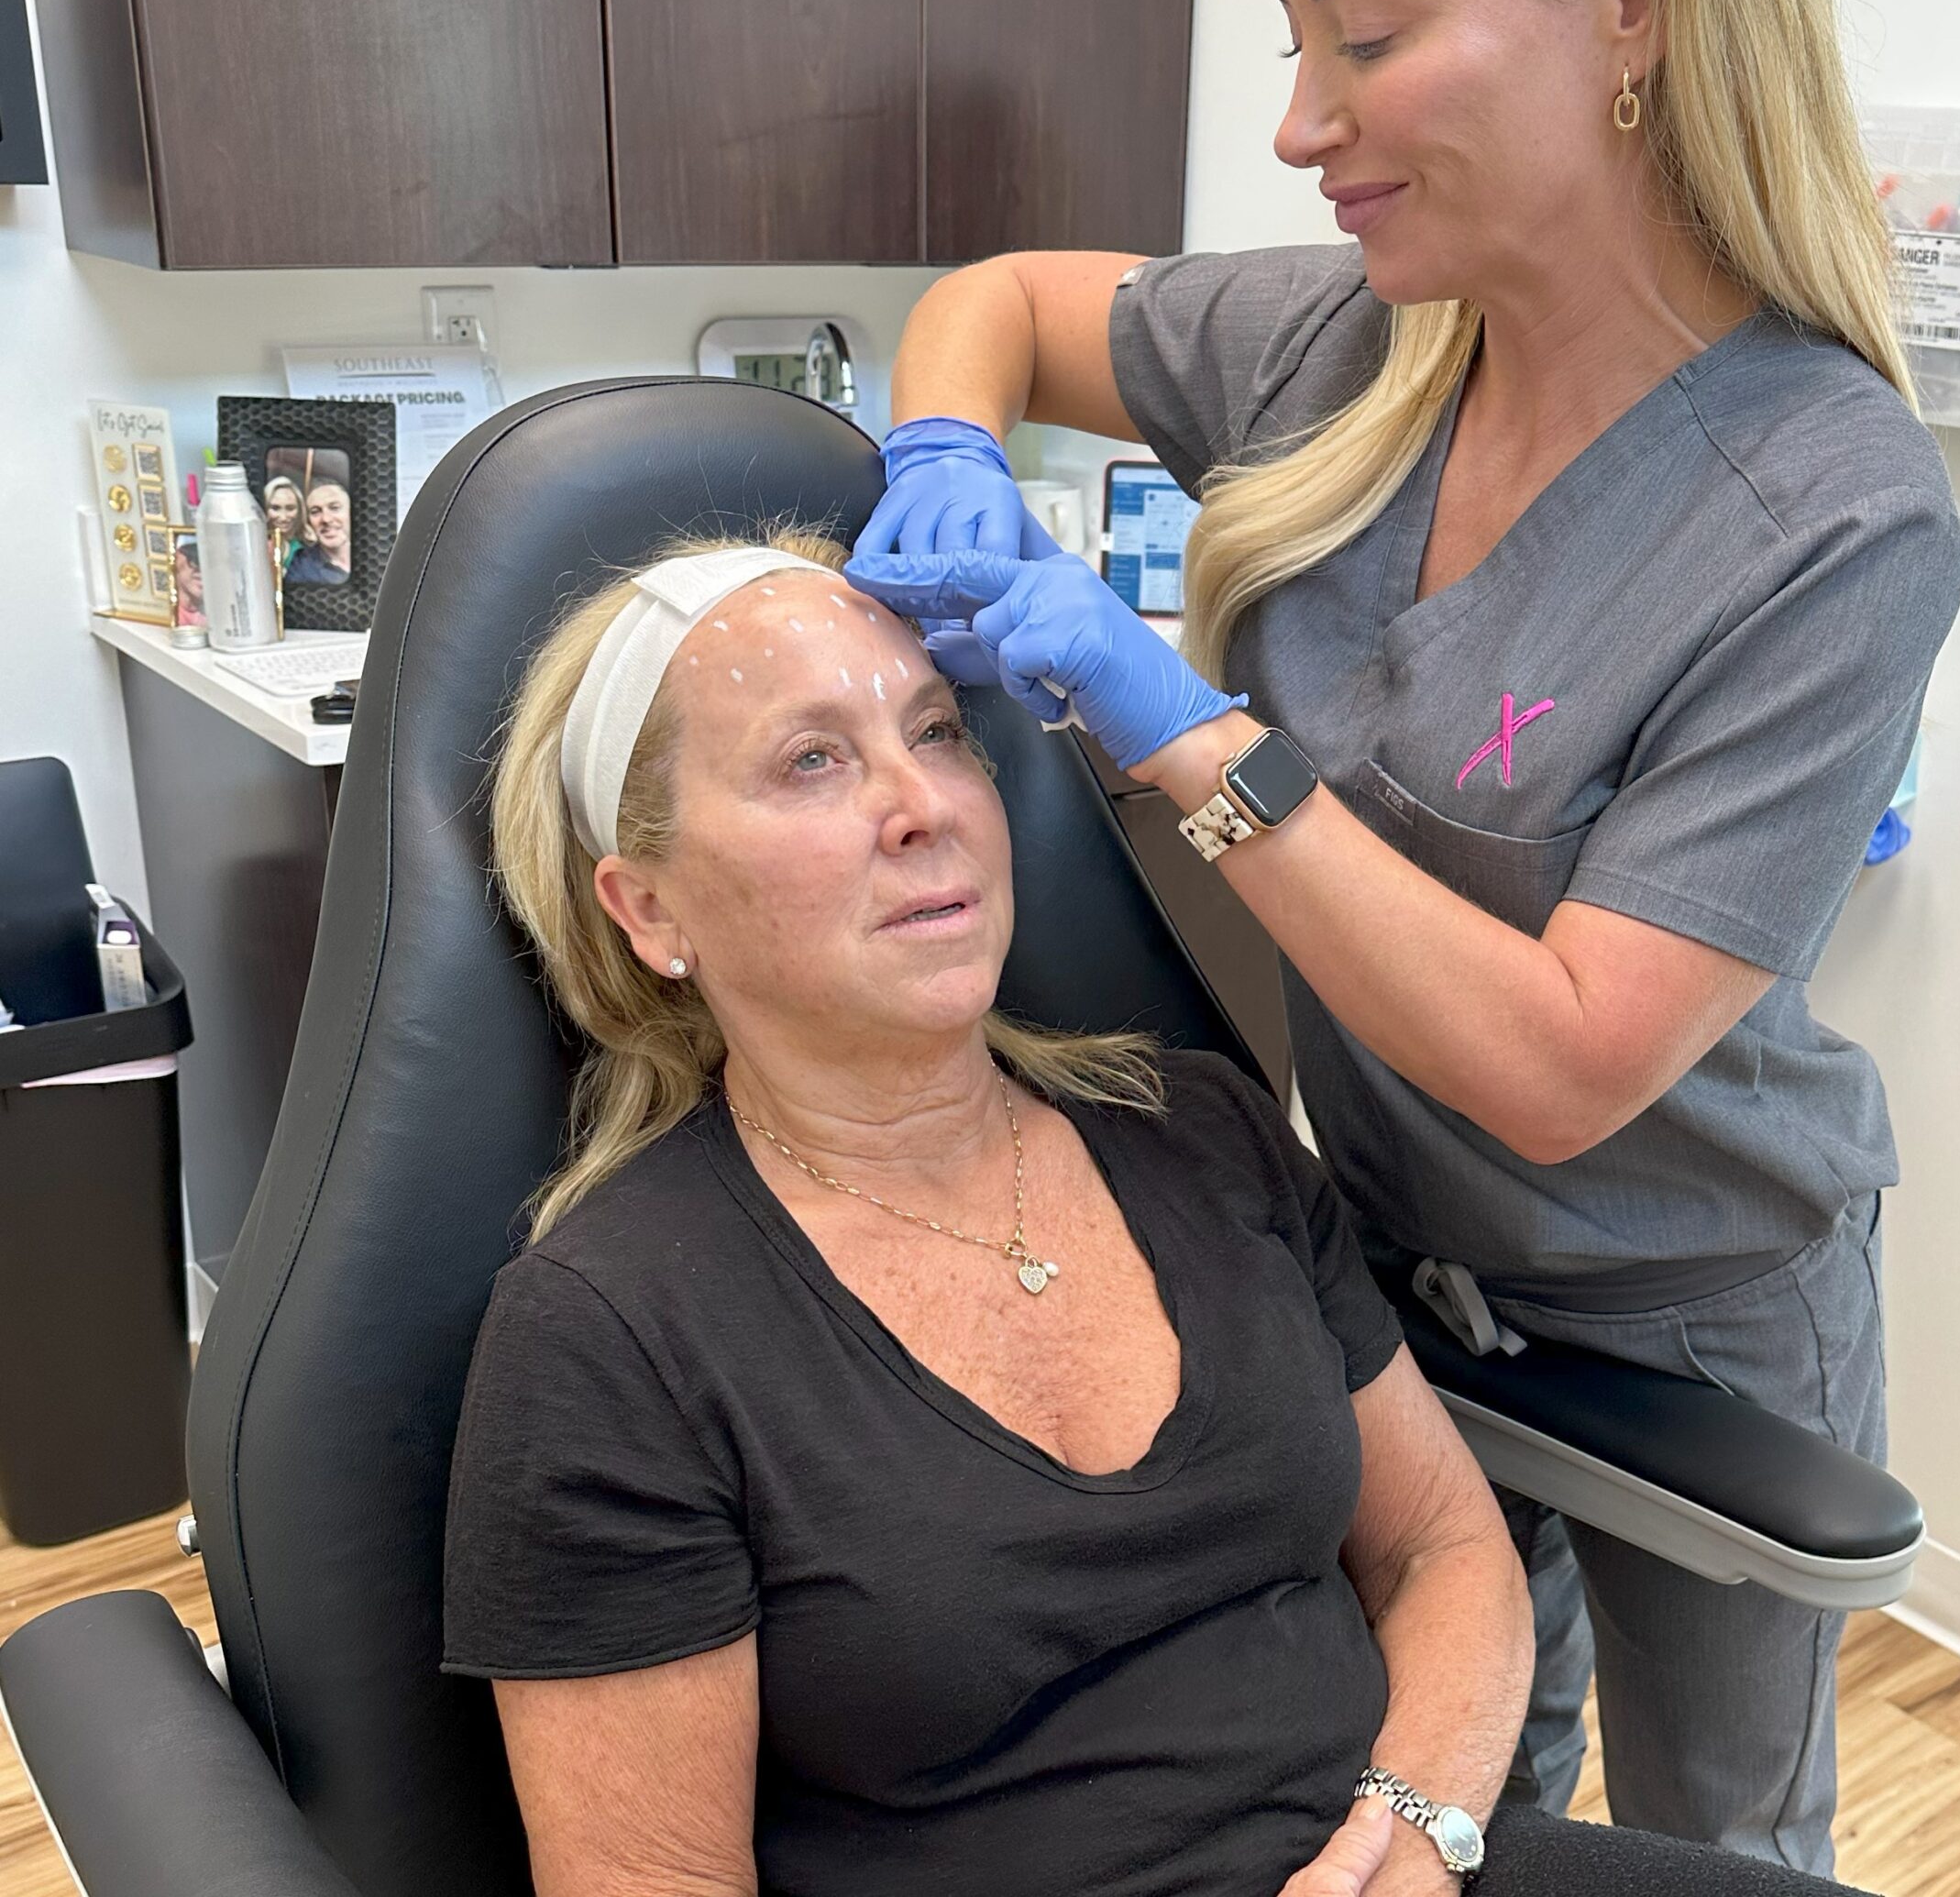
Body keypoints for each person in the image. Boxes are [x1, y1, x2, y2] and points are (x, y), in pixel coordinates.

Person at [847, 0, 1960, 1879]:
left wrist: (1181, 725)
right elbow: (994, 301)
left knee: (1719, 1838)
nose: (1293, 124)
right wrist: (937, 443)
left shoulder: (1832, 513)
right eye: (1290, 35)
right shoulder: (1356, 334)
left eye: (1362, 34)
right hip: (1374, 1244)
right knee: (1453, 1763)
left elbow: (1560, 1058)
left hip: (1688, 1292)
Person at [448, 528, 1859, 1897]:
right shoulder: (609, 1333)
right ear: (647, 910)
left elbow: (1443, 1548)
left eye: (940, 732)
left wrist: (1416, 1837)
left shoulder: (1199, 1129)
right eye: (813, 760)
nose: (923, 803)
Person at [283, 474, 352, 585]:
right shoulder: (301, 567)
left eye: (334, 508)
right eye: (315, 512)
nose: (326, 519)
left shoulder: (376, 551)